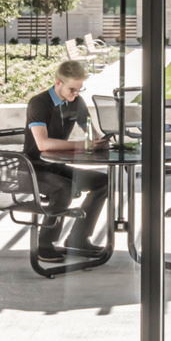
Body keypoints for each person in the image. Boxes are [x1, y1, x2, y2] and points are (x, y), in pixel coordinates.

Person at [25, 59, 110, 262]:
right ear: (58, 83)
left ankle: (78, 240)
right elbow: (43, 144)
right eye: (72, 89)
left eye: (79, 89)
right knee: (63, 188)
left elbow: (91, 132)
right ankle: (44, 244)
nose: (75, 94)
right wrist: (82, 146)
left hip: (56, 166)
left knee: (104, 182)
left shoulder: (77, 102)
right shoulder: (39, 103)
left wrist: (100, 140)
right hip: (33, 168)